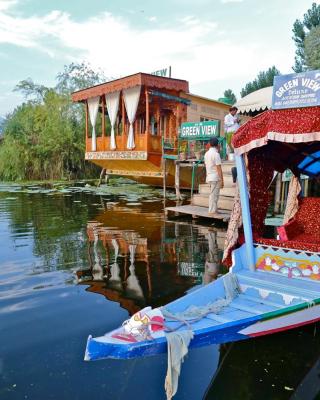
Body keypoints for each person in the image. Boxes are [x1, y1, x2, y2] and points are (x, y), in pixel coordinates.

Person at [204, 137, 224, 217]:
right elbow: (219, 168)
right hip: (215, 177)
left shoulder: (206, 154)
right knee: (214, 195)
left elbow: (206, 166)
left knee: (214, 194)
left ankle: (214, 209)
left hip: (209, 176)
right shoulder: (216, 154)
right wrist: (222, 180)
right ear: (217, 145)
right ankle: (212, 211)